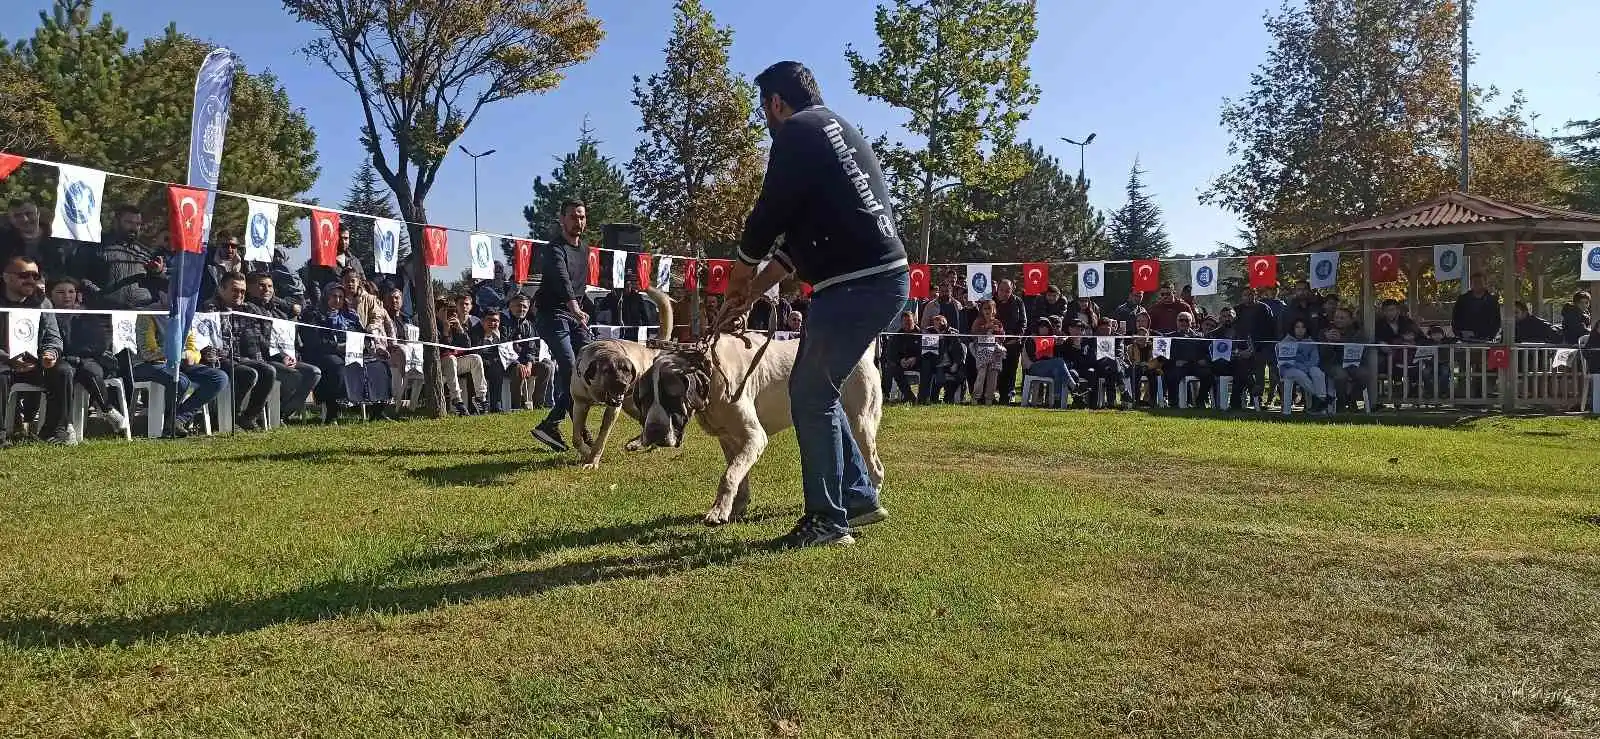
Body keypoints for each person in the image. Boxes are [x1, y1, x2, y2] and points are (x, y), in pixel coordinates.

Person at [718, 61, 909, 547]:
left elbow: (764, 222)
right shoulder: (835, 132)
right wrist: (750, 296)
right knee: (817, 389)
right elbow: (797, 250)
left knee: (809, 392)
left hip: (858, 284)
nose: (766, 122)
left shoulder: (797, 133)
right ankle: (859, 498)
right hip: (876, 280)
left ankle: (828, 519)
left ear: (776, 104)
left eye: (765, 110)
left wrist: (735, 285)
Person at [528, 199, 591, 451]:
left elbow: (579, 284)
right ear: (562, 219)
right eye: (574, 217)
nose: (579, 221)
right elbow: (563, 280)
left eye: (582, 217)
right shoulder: (554, 249)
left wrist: (582, 309)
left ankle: (562, 424)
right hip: (551, 315)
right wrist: (574, 306)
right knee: (570, 367)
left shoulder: (584, 249)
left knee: (588, 367)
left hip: (574, 316)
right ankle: (558, 424)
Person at [0, 255, 75, 444]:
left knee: (63, 370)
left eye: (35, 275)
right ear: (7, 277)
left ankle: (54, 432)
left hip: (35, 363)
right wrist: (8, 359)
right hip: (4, 363)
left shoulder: (43, 303)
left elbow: (53, 337)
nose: (31, 280)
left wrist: (50, 354)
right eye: (24, 275)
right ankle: (2, 435)